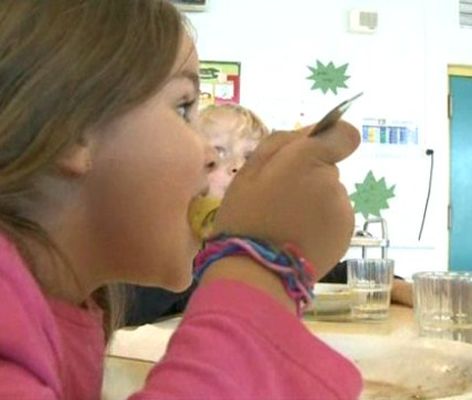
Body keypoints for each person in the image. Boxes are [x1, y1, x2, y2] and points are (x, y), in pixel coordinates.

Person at [0, 1, 362, 399]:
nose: (208, 154)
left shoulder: (66, 309)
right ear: (70, 129)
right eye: (184, 106)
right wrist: (262, 261)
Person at [125, 104, 270, 326]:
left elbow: (301, 269)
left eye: (250, 157)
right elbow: (130, 309)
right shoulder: (163, 239)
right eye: (219, 151)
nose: (237, 166)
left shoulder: (248, 242)